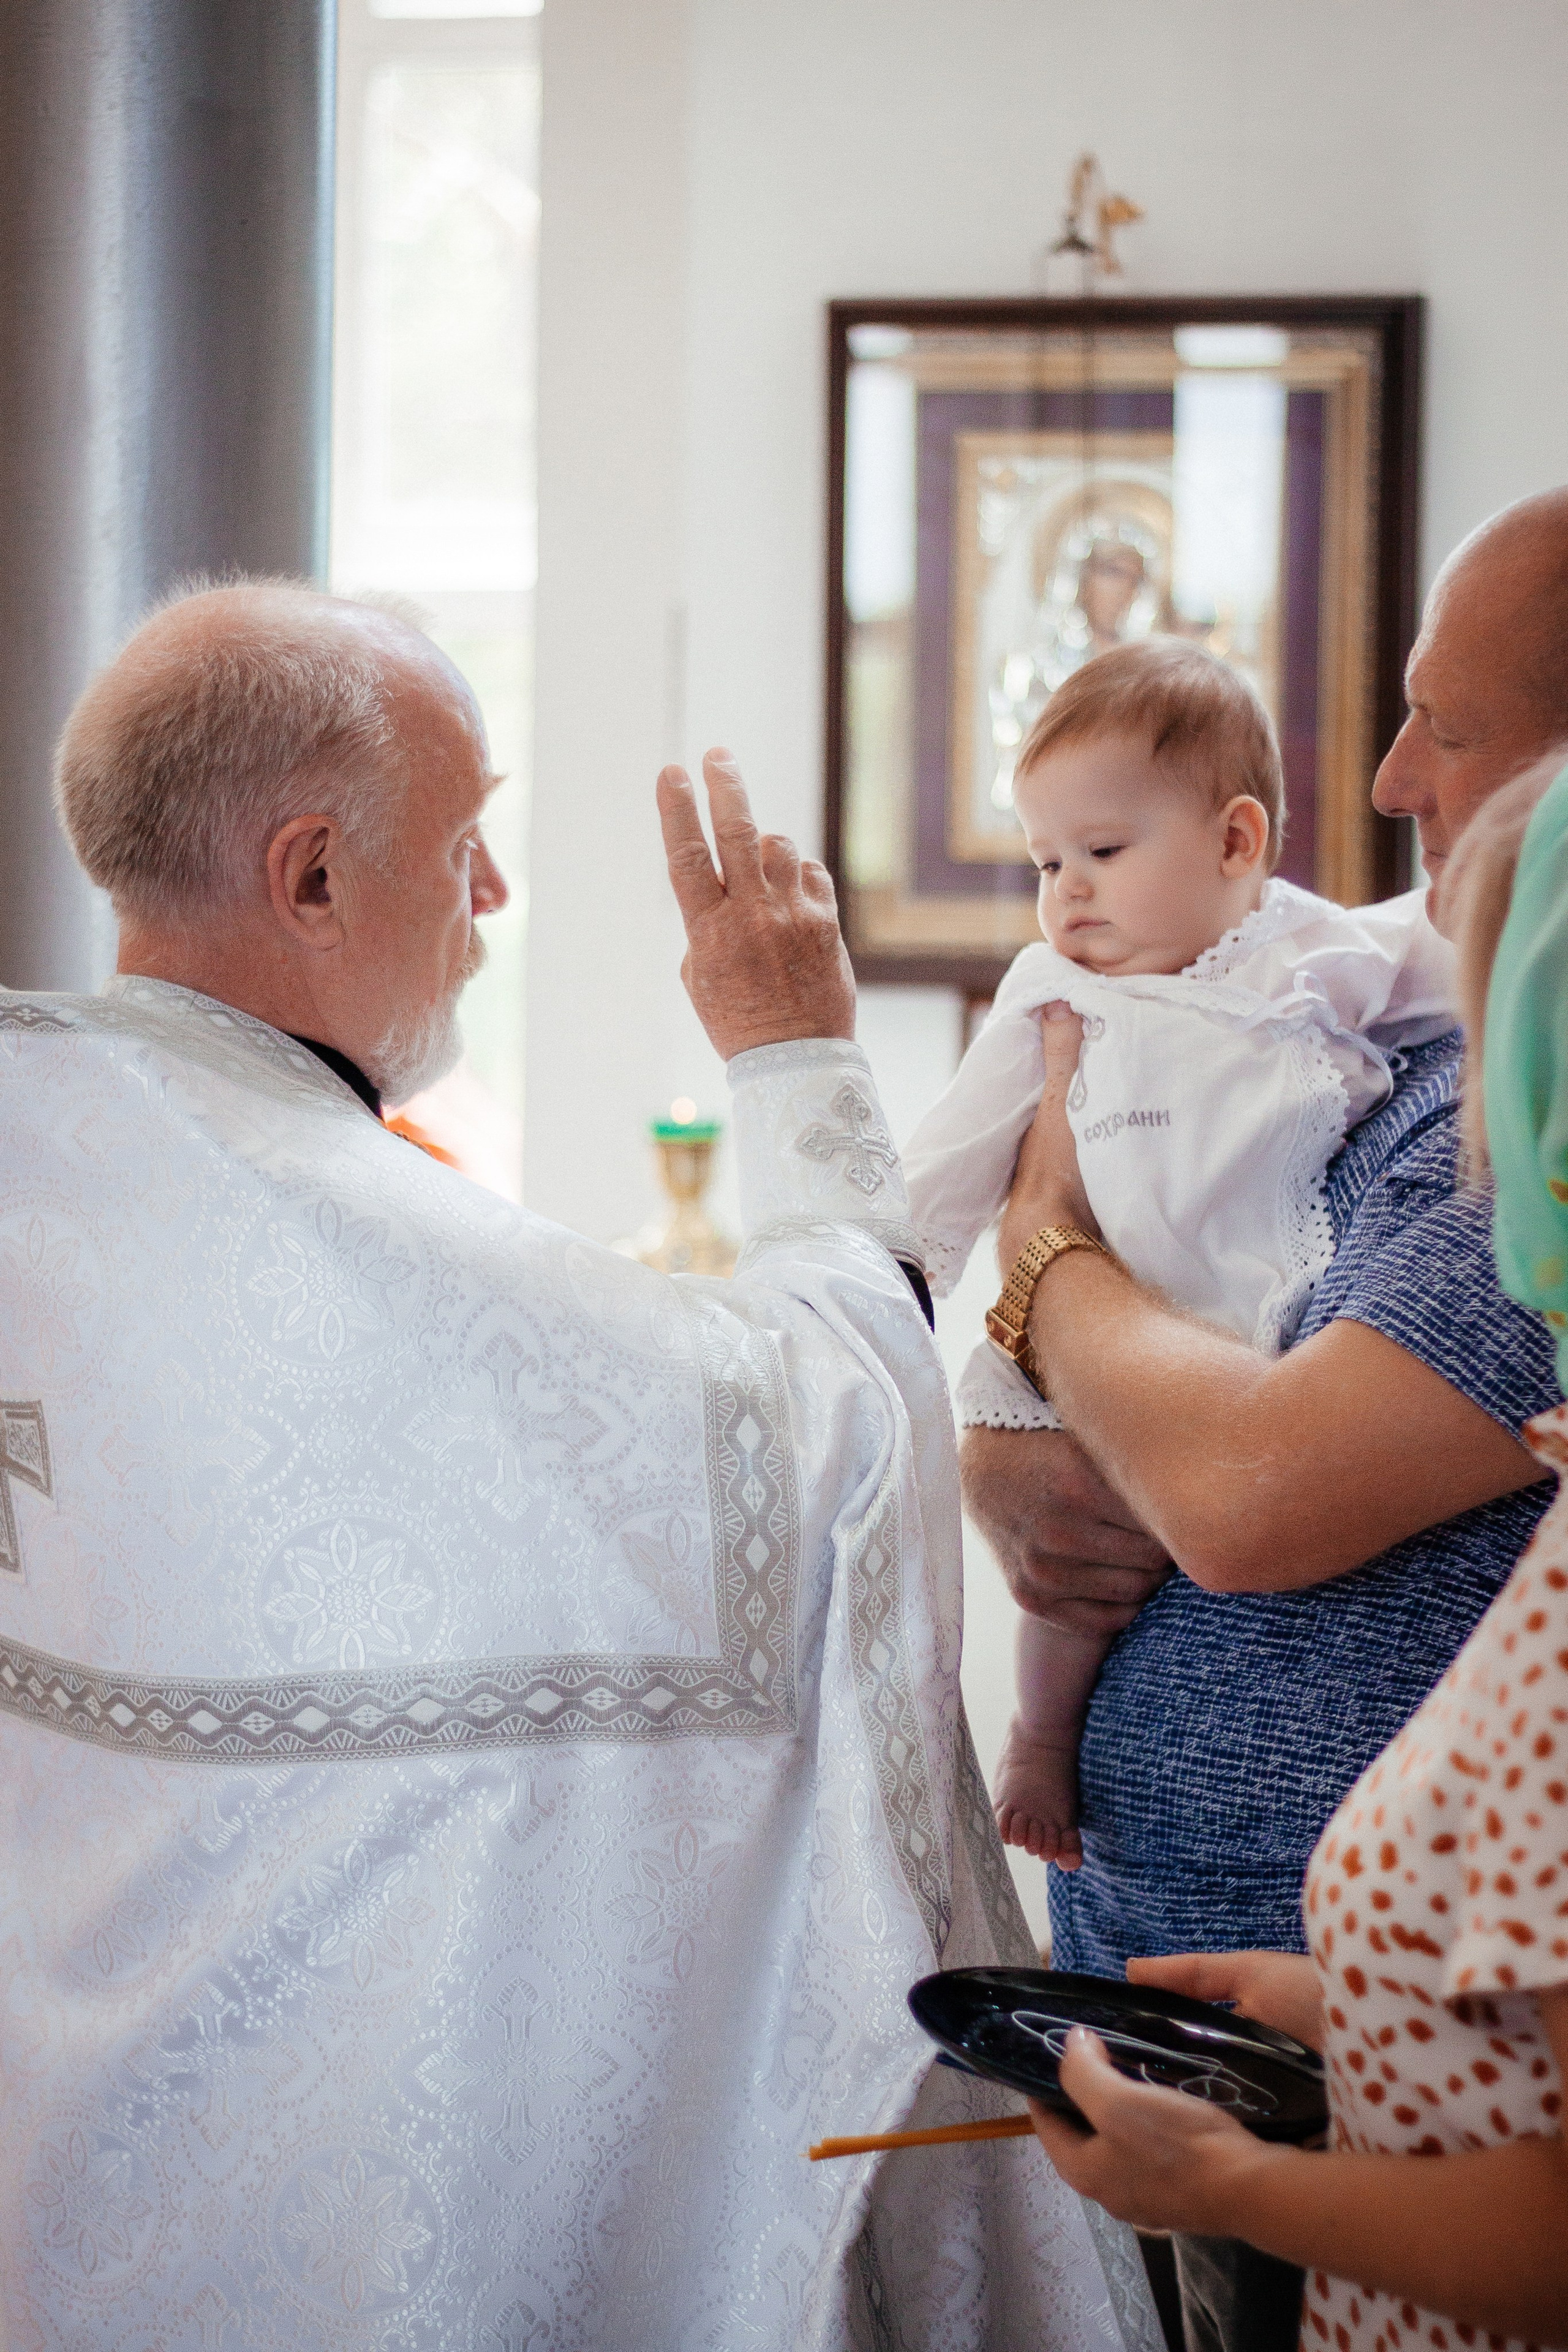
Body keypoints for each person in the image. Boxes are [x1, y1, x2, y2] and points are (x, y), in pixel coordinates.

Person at [0, 581, 1158, 2351]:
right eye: (466, 844)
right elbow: (833, 1439)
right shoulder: (349, 1239)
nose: (492, 899)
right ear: (311, 877)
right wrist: (791, 1050)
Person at [960, 485, 1568, 2352]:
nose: (1388, 780)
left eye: (1444, 725)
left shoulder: (1502, 1092)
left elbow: (1242, 1488)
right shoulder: (1296, 1046)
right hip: (1252, 1990)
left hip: (1419, 2131)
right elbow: (1148, 1429)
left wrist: (1046, 1265)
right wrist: (1016, 1443)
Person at [904, 641, 1452, 1868]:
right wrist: (884, 1289)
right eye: (1046, 862)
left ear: (1234, 842)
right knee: (1066, 1588)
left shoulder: (1314, 959)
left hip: (1249, 1331)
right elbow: (943, 1169)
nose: (1067, 894)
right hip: (1085, 1350)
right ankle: (1039, 1737)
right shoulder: (1053, 995)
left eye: (1101, 853)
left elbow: (1453, 964)